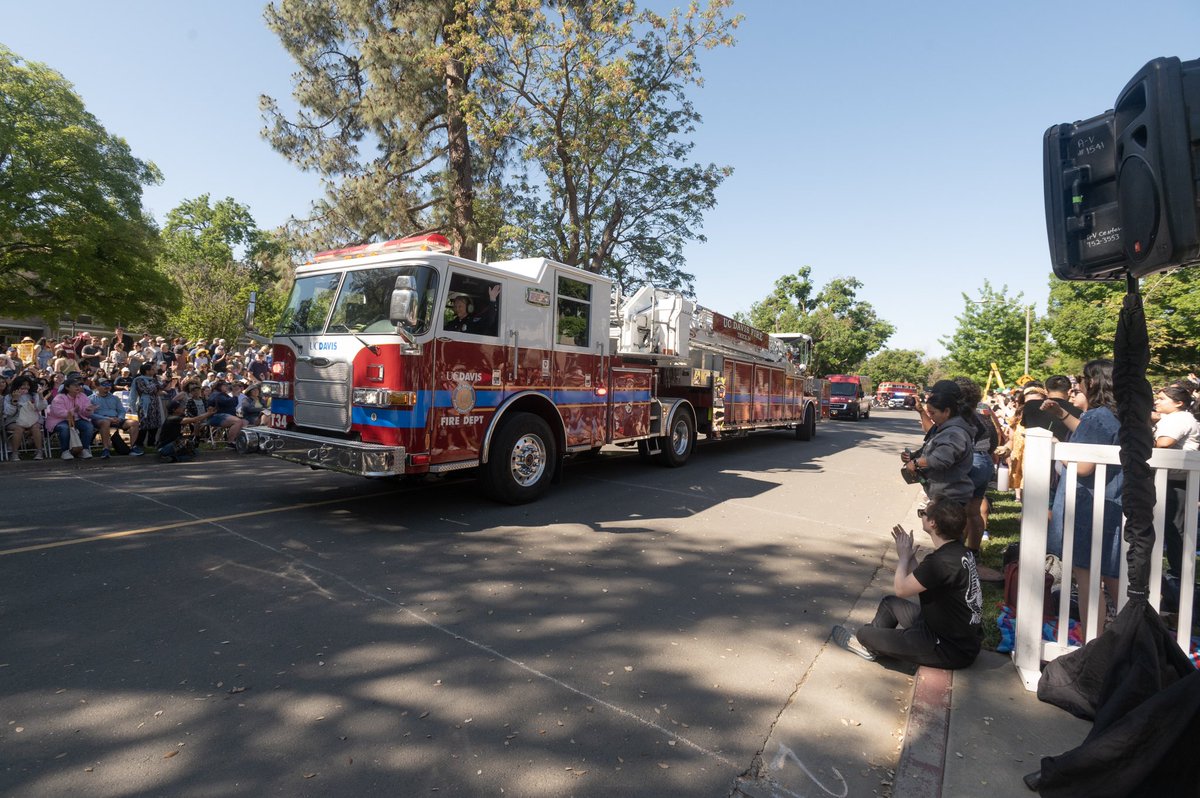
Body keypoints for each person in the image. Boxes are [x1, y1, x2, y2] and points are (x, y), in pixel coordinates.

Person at [832, 498, 983, 669]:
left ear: (932, 523)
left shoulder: (940, 561)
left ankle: (871, 643)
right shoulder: (958, 552)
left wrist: (903, 558)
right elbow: (922, 581)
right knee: (890, 604)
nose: (921, 516)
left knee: (863, 634)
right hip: (952, 635)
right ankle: (876, 646)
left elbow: (901, 589)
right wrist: (910, 556)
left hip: (946, 649)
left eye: (923, 513)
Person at [1044, 359, 1123, 638]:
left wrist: (1058, 449)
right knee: (1114, 577)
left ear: (1095, 383)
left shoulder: (1098, 415)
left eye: (1083, 379)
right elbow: (1093, 439)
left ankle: (1092, 644)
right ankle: (1129, 636)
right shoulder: (1118, 414)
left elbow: (1086, 465)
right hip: (1112, 504)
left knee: (1088, 578)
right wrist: (1063, 415)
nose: (1078, 383)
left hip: (1089, 508)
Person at [1151, 384, 1200, 605]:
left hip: (1177, 480)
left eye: (1162, 399)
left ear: (1178, 402)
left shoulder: (1180, 419)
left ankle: (1180, 580)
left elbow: (1164, 443)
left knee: (1175, 530)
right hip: (1169, 478)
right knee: (1170, 529)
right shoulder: (1172, 417)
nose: (1157, 401)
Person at [904, 380, 974, 505]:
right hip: (943, 495)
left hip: (950, 497)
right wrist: (914, 456)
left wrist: (916, 462)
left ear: (946, 411)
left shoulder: (954, 433)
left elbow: (941, 459)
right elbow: (933, 437)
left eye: (933, 413)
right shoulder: (947, 425)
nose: (930, 416)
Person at [89, 379, 143, 458]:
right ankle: (106, 449)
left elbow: (121, 411)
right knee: (105, 422)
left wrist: (120, 418)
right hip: (100, 420)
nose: (107, 386)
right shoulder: (90, 399)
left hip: (116, 419)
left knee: (134, 423)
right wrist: (107, 418)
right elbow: (91, 415)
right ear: (97, 386)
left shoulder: (115, 398)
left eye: (108, 384)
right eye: (104, 384)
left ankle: (133, 447)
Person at [45, 378, 95, 459]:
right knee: (64, 428)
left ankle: (84, 450)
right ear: (67, 387)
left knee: (88, 426)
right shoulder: (59, 397)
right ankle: (65, 451)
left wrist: (88, 410)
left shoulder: (82, 396)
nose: (78, 387)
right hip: (59, 420)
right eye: (75, 385)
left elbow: (85, 411)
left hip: (76, 419)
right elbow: (58, 412)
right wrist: (73, 411)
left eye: (79, 385)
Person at [3, 376, 46, 460]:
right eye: (23, 385)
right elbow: (9, 413)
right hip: (14, 420)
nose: (26, 387)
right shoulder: (9, 397)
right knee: (19, 428)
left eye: (27, 385)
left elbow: (40, 407)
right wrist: (15, 400)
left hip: (32, 419)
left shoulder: (33, 395)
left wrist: (41, 396)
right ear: (17, 385)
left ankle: (39, 451)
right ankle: (14, 453)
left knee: (36, 427)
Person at [206, 380, 247, 446]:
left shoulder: (223, 394)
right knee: (238, 422)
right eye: (225, 385)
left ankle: (239, 441)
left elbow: (232, 404)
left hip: (224, 416)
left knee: (245, 422)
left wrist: (234, 395)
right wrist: (235, 395)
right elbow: (230, 403)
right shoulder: (217, 394)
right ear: (219, 386)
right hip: (215, 417)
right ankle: (230, 442)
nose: (227, 386)